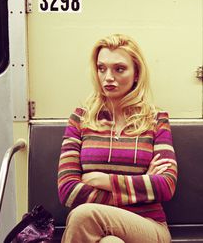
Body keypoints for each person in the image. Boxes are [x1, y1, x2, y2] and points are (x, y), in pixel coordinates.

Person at [57, 34, 177, 243]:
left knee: (83, 214)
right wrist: (141, 185)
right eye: (102, 68)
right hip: (97, 229)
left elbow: (166, 185)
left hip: (148, 226)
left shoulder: (156, 119)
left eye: (119, 69)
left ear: (136, 73)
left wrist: (104, 181)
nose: (108, 77)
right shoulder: (80, 119)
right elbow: (68, 189)